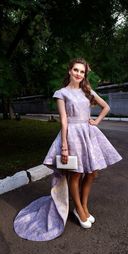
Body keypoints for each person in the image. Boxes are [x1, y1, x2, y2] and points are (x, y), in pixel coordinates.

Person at [13, 58, 122, 241]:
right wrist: (64, 145)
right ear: (70, 71)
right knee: (76, 174)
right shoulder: (61, 93)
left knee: (92, 173)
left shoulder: (87, 91)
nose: (79, 74)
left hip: (88, 134)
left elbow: (106, 107)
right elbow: (63, 120)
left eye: (82, 72)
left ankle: (83, 208)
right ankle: (79, 209)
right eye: (76, 70)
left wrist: (96, 121)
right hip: (72, 135)